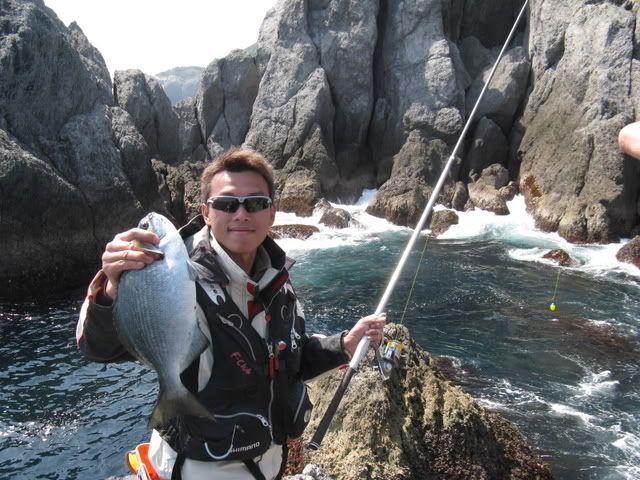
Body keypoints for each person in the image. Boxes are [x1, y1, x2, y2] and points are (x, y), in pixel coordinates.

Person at [76, 147, 386, 480]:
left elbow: (287, 361)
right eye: (226, 204)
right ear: (206, 212)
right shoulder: (172, 274)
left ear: (272, 213)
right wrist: (111, 289)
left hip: (268, 467)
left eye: (255, 203)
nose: (241, 214)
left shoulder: (277, 279)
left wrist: (343, 345)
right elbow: (99, 348)